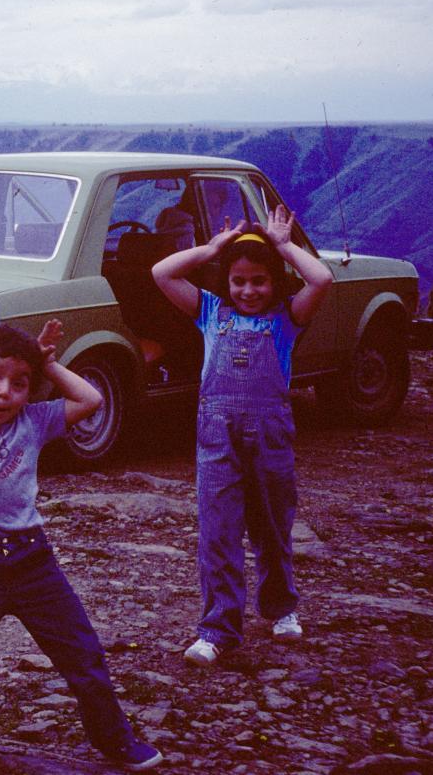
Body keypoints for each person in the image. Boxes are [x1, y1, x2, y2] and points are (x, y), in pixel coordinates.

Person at [0, 305, 162, 773]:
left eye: (19, 383)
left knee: (82, 653)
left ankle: (116, 740)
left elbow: (91, 399)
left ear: (30, 391)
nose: (3, 392)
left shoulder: (35, 421)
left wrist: (47, 364)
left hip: (33, 564)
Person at [151, 205, 333, 667]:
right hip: (217, 437)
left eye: (259, 281)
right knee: (218, 532)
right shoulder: (210, 311)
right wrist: (212, 248)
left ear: (275, 281)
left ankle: (281, 608)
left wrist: (283, 246)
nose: (248, 290)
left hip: (270, 435)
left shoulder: (287, 318)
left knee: (272, 525)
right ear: (226, 282)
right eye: (238, 281)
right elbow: (161, 272)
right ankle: (217, 629)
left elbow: (322, 279)